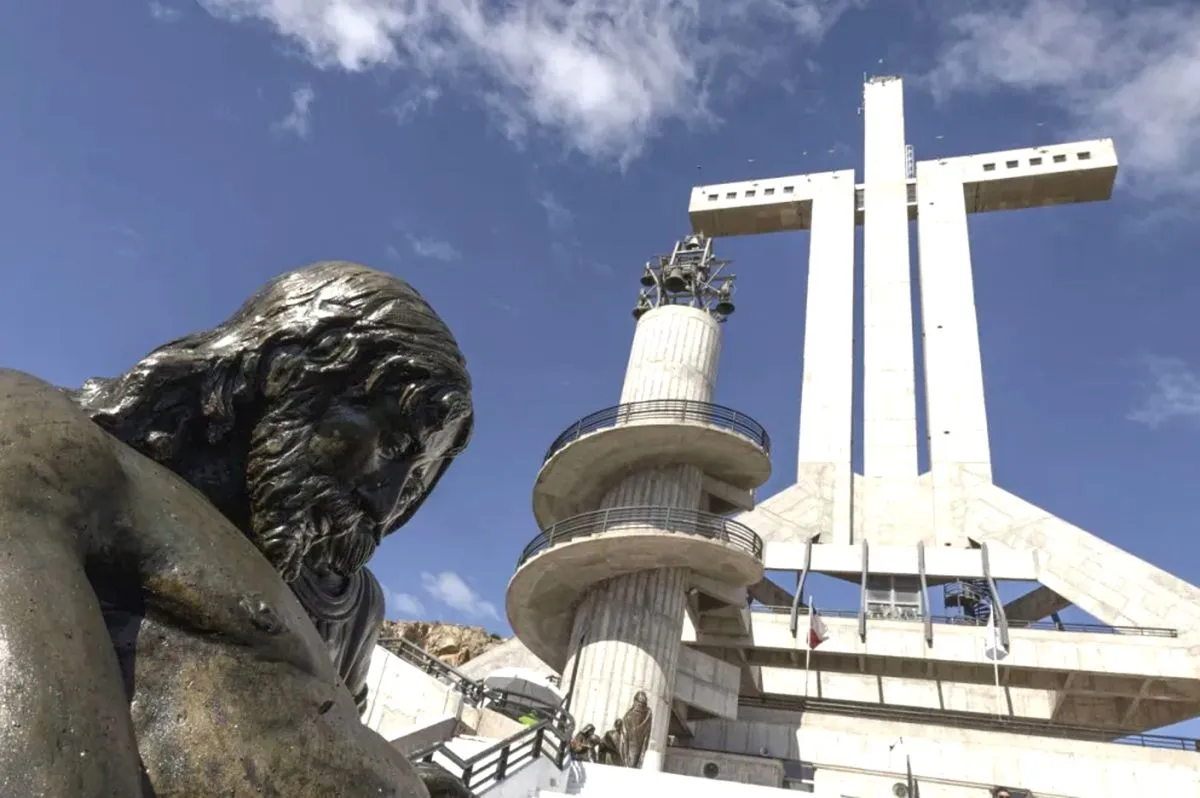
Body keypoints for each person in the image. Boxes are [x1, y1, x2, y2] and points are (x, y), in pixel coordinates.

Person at [0, 261, 473, 797]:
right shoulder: (51, 439)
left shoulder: (342, 600)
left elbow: (317, 732)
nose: (385, 505)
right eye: (390, 447)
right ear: (287, 371)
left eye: (412, 486)